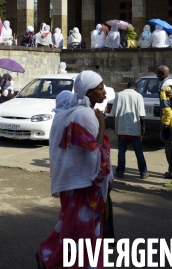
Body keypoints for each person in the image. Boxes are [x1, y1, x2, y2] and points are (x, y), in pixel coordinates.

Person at [37, 71, 112, 269]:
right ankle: (50, 257)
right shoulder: (83, 115)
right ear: (88, 92)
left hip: (73, 183)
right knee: (79, 230)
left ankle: (52, 257)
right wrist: (103, 127)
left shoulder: (72, 113)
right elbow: (93, 155)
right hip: (84, 185)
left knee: (72, 227)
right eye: (100, 88)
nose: (104, 92)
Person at [112, 82, 147, 179]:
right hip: (135, 128)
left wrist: (115, 126)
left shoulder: (119, 95)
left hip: (122, 128)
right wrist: (143, 127)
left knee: (122, 151)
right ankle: (143, 172)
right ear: (135, 88)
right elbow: (142, 115)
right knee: (138, 151)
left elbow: (113, 113)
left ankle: (120, 171)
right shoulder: (138, 96)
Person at [156, 66, 172, 182]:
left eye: (158, 74)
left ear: (162, 74)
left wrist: (164, 124)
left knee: (169, 149)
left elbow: (167, 109)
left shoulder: (165, 87)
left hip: (169, 124)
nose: (157, 76)